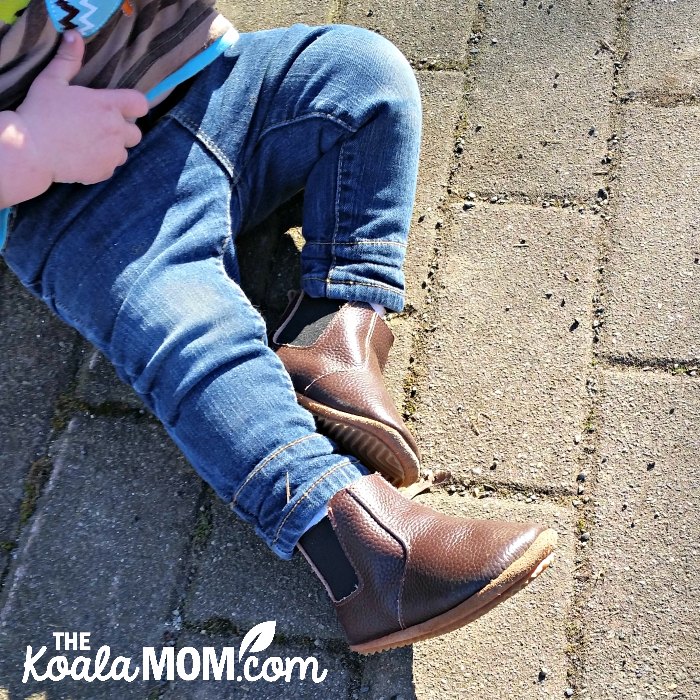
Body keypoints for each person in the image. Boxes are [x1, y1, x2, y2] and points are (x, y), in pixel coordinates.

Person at [0, 0, 557, 654]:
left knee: (365, 77)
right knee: (190, 336)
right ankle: (366, 549)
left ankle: (331, 339)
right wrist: (26, 146)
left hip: (216, 90)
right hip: (78, 201)